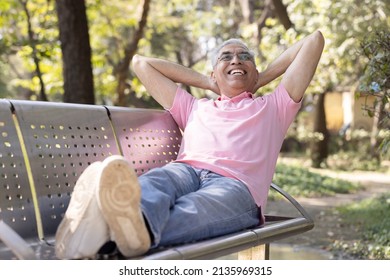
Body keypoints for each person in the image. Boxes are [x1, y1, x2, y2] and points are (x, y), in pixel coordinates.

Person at [55, 30, 325, 259]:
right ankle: (120, 224)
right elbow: (141, 63)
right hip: (186, 171)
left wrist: (257, 78)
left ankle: (105, 232)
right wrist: (209, 83)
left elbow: (314, 41)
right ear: (213, 73)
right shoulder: (195, 107)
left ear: (255, 71)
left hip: (236, 187)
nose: (236, 60)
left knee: (196, 210)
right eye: (226, 57)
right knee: (157, 181)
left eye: (245, 57)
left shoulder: (274, 106)